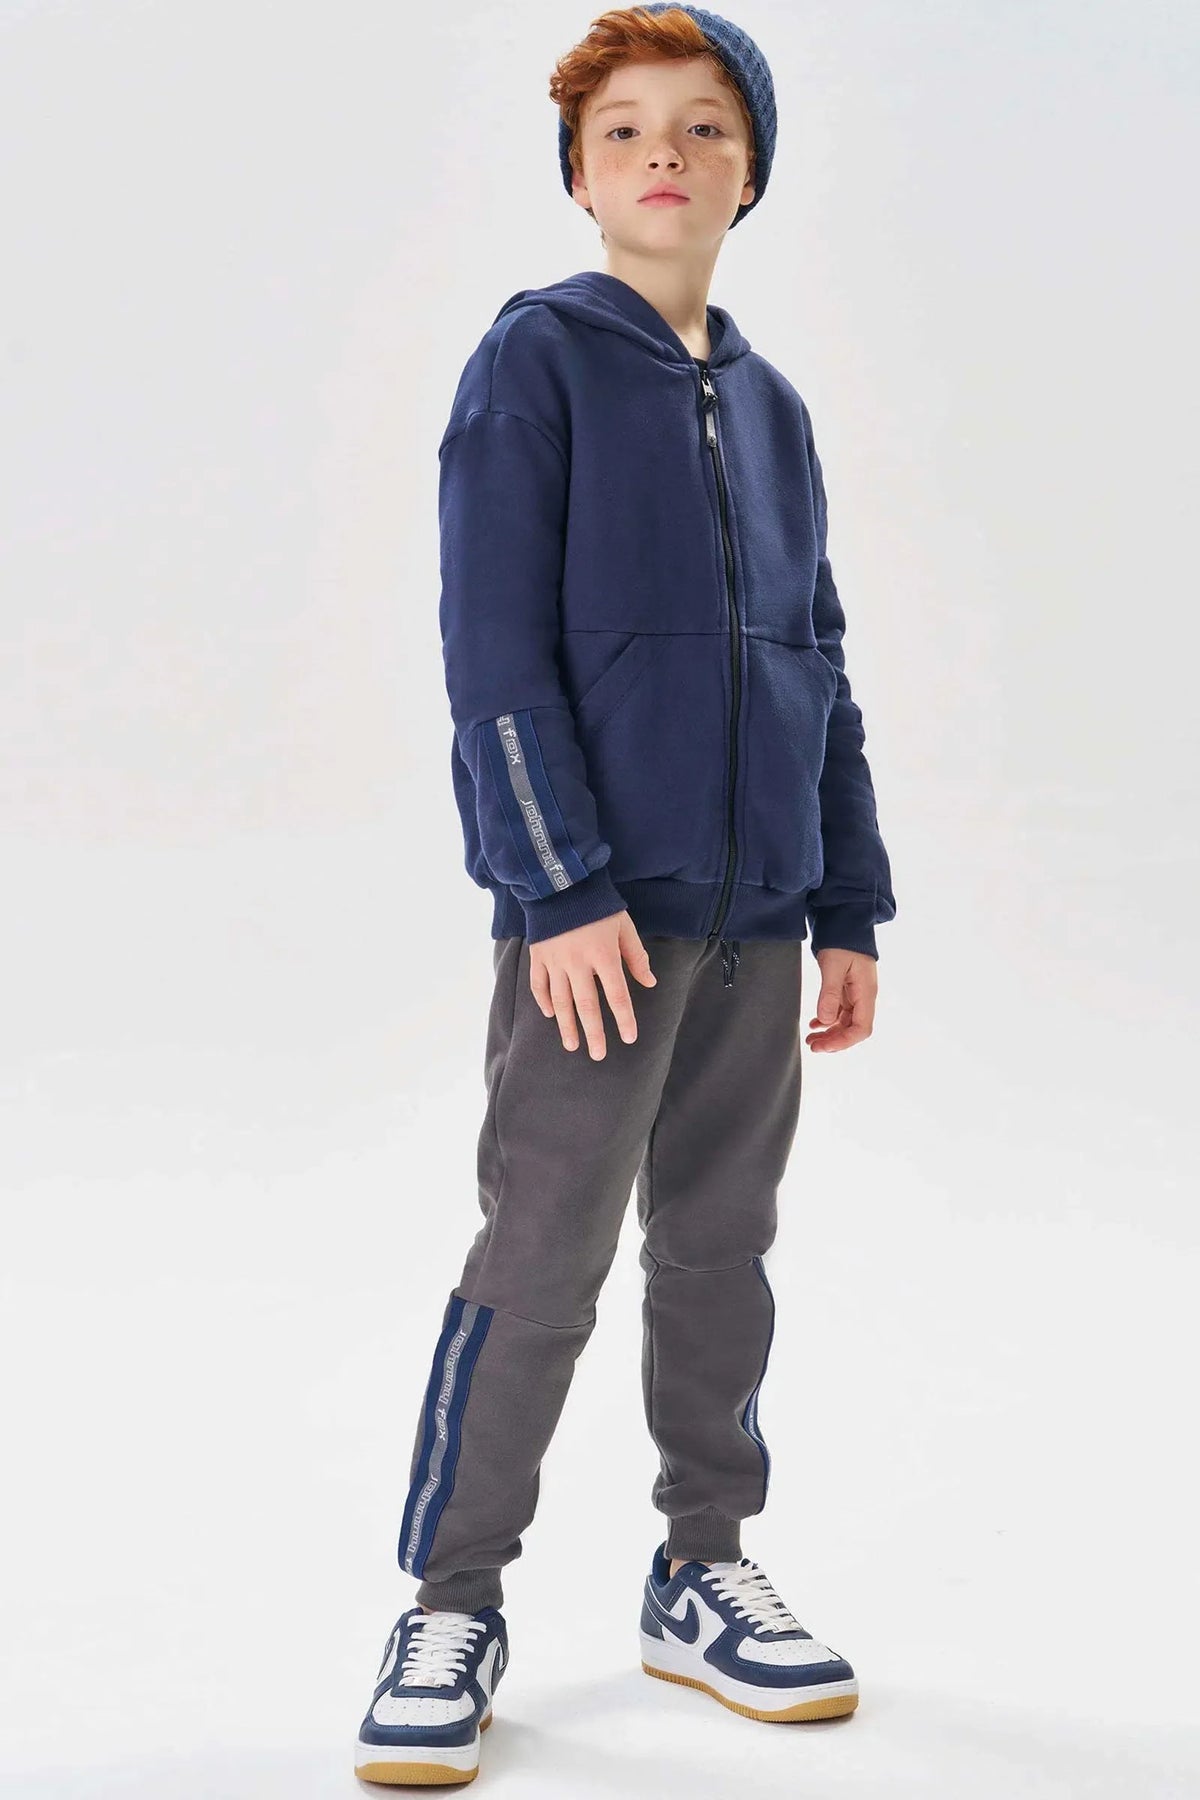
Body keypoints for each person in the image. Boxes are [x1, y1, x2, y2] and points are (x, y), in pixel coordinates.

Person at [355, 2, 896, 1783]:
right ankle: (451, 1599)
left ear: (752, 173)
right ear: (582, 177)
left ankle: (701, 1571)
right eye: (626, 129)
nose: (666, 149)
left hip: (758, 925)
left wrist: (847, 904)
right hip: (598, 922)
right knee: (543, 1256)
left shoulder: (777, 410)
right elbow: (493, 649)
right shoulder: (538, 360)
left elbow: (817, 659)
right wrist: (557, 882)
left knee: (721, 1251)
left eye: (706, 125)